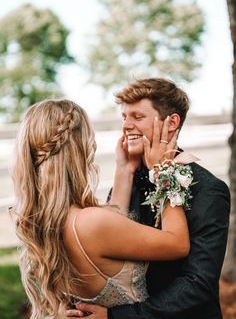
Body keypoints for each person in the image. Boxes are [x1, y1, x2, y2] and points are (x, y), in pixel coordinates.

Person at [67, 78, 230, 319]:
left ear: (172, 122)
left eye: (137, 117)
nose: (126, 125)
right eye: (124, 117)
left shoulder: (208, 190)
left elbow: (198, 285)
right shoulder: (128, 178)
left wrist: (118, 317)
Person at [12, 98, 190, 319]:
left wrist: (124, 169)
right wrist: (163, 169)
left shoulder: (46, 223)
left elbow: (114, 231)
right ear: (79, 149)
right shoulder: (91, 222)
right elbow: (178, 243)